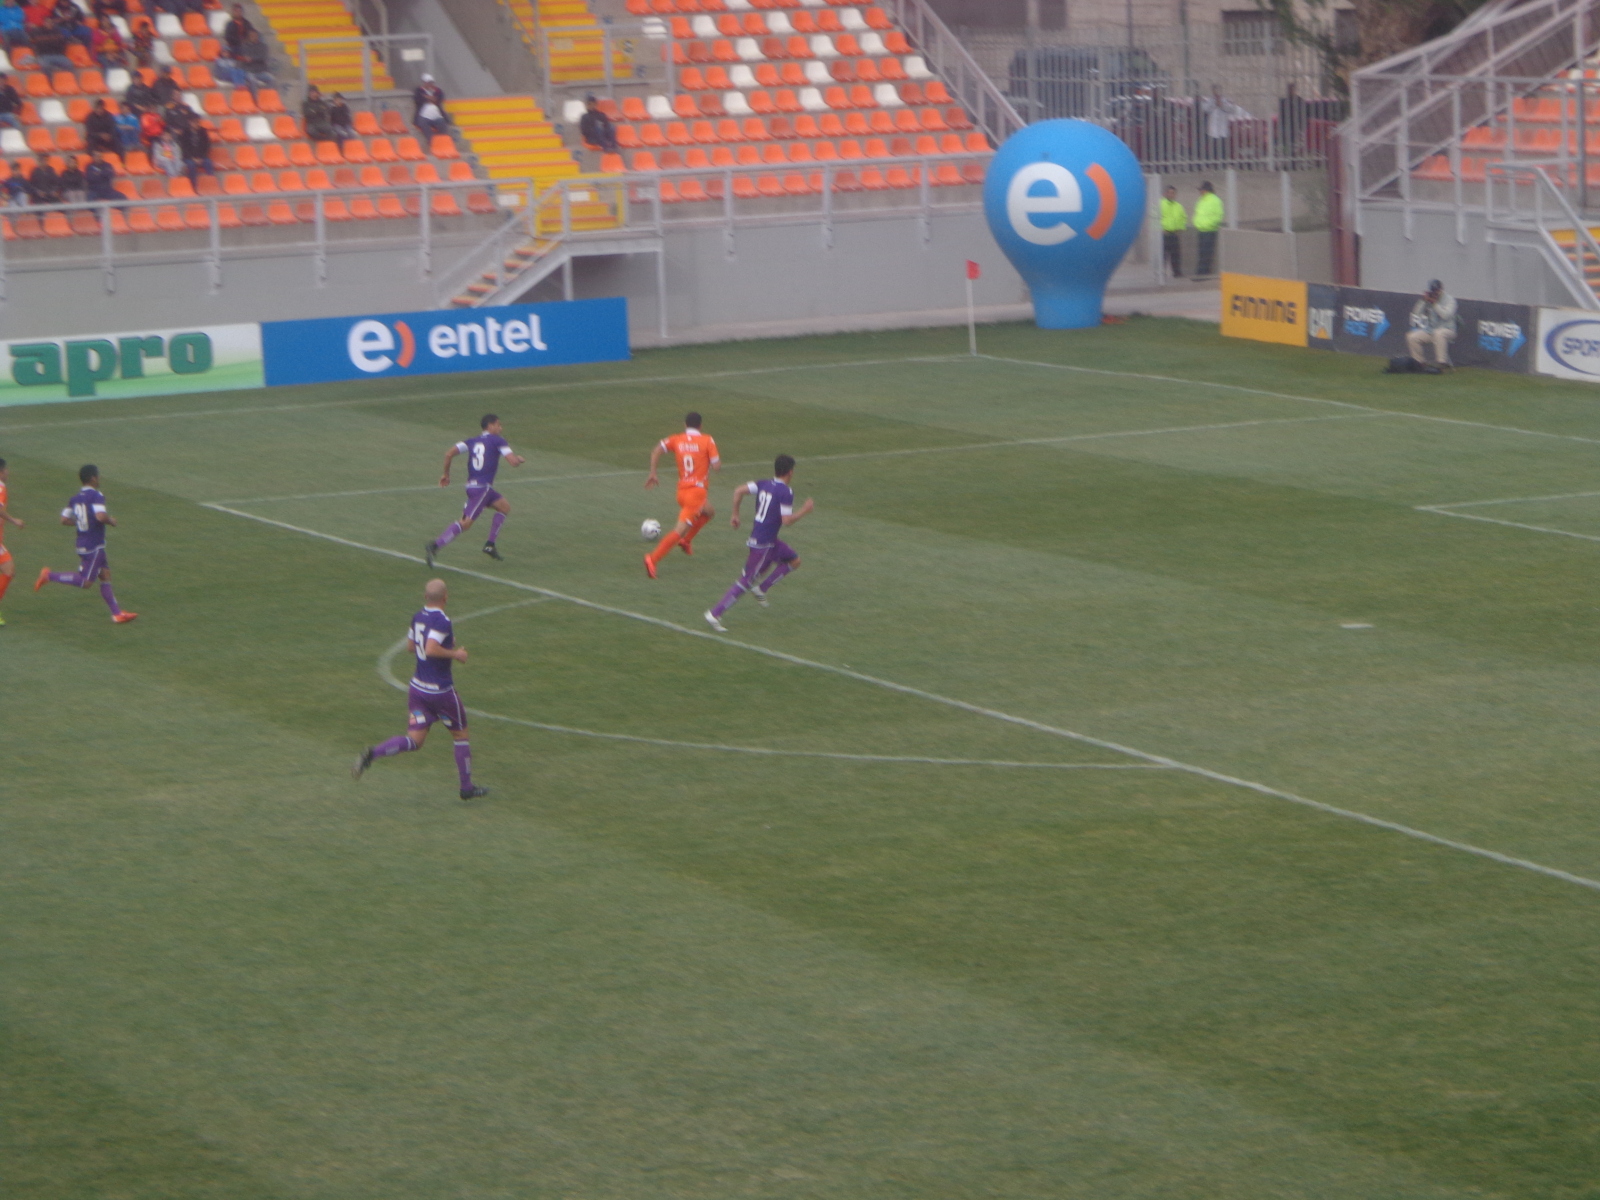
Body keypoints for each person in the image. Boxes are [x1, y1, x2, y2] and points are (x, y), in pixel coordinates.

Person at [352, 578, 487, 801]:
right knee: (460, 734)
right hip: (440, 692)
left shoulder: (418, 616)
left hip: (417, 690)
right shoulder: (442, 620)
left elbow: (409, 647)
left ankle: (372, 754)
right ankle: (466, 788)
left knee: (415, 740)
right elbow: (431, 648)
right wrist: (456, 654)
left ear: (426, 597)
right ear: (446, 597)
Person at [704, 454, 813, 632]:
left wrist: (735, 514)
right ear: (790, 472)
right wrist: (805, 510)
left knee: (795, 561)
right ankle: (714, 614)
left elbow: (738, 490)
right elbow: (786, 521)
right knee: (746, 581)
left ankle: (762, 589)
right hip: (763, 545)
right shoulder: (786, 492)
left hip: (769, 541)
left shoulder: (763, 484)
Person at [34, 463, 137, 623]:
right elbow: (101, 516)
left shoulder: (75, 498)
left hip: (84, 543)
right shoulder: (96, 495)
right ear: (93, 478)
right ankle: (49, 576)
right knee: (86, 582)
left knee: (105, 575)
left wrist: (81, 523)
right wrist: (111, 521)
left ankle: (117, 613)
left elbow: (64, 519)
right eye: (98, 476)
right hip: (93, 546)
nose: (99, 478)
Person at [425, 413, 527, 566]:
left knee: (504, 507)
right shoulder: (498, 441)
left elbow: (449, 453)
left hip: (475, 487)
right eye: (498, 424)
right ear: (490, 425)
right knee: (465, 523)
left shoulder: (472, 441)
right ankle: (435, 545)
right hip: (482, 489)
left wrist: (446, 474)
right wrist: (519, 459)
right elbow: (513, 462)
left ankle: (490, 545)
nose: (501, 428)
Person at [644, 410, 719, 578]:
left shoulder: (676, 439)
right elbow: (717, 466)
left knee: (709, 512)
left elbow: (656, 450)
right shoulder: (707, 440)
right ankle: (652, 558)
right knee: (679, 530)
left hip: (681, 492)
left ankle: (687, 541)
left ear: (685, 425)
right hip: (696, 493)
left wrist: (653, 473)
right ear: (700, 426)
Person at [1406, 279, 1458, 370]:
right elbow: (1416, 313)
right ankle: (1419, 363)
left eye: (1437, 290)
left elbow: (1445, 316)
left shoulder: (1450, 300)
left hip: (1448, 330)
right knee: (1411, 337)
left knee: (1439, 333)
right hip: (1431, 330)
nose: (1435, 293)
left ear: (1441, 289)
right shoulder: (1429, 299)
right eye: (1434, 291)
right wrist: (1423, 301)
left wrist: (1435, 304)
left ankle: (1442, 362)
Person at [0, 457, 24, 626]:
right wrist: (14, 520)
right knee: (9, 570)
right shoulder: (0, 487)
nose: (8, 472)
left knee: (9, 570)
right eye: (6, 469)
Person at [1193, 180, 1223, 277]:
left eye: (1201, 189)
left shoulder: (1215, 200)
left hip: (1209, 230)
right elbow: (1197, 214)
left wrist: (1207, 224)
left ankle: (1203, 273)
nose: (1200, 191)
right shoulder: (1201, 200)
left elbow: (1218, 216)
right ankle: (1202, 272)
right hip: (1201, 230)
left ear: (1206, 190)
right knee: (1202, 252)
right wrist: (1198, 223)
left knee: (1206, 253)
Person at [578, 93, 618, 162]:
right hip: (592, 137)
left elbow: (607, 125)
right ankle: (606, 148)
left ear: (595, 104)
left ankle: (613, 146)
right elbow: (584, 131)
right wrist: (594, 129)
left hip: (602, 134)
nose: (591, 106)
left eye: (592, 104)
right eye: (589, 104)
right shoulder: (584, 117)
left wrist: (602, 128)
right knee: (598, 128)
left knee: (612, 127)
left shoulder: (601, 115)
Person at [1159, 184, 1186, 279]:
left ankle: (1177, 272)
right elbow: (1154, 218)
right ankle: (1161, 273)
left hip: (1175, 234)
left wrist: (1180, 229)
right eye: (1169, 193)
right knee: (1163, 255)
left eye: (1173, 193)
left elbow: (1183, 218)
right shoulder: (1159, 204)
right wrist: (1159, 230)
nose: (1171, 195)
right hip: (1164, 234)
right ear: (1165, 193)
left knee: (1176, 255)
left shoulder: (1179, 206)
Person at [179, 117, 211, 182]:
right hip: (189, 157)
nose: (196, 124)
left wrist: (201, 157)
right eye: (194, 122)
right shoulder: (185, 133)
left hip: (201, 157)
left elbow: (207, 146)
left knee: (208, 162)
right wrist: (192, 158)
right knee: (191, 164)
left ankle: (211, 182)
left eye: (197, 122)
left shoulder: (203, 131)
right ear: (190, 123)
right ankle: (193, 184)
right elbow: (184, 147)